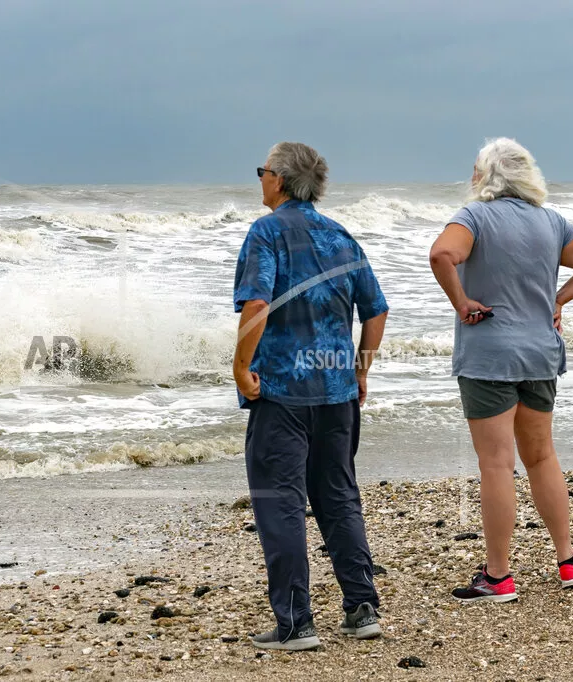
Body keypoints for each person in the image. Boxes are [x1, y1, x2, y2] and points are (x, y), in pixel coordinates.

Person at [429, 138, 573, 603]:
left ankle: (498, 577)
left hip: (490, 354)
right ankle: (569, 562)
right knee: (541, 456)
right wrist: (556, 300)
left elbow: (441, 255)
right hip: (539, 352)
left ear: (484, 174)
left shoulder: (473, 217)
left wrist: (461, 302)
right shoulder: (550, 221)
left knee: (496, 464)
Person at [233, 142, 389, 649]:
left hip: (282, 390)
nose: (260, 179)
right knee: (338, 496)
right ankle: (362, 607)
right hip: (336, 390)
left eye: (262, 171)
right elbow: (376, 309)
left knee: (280, 502)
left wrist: (240, 366)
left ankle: (296, 622)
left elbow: (257, 302)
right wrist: (360, 368)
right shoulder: (340, 235)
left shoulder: (267, 232)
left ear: (278, 179)